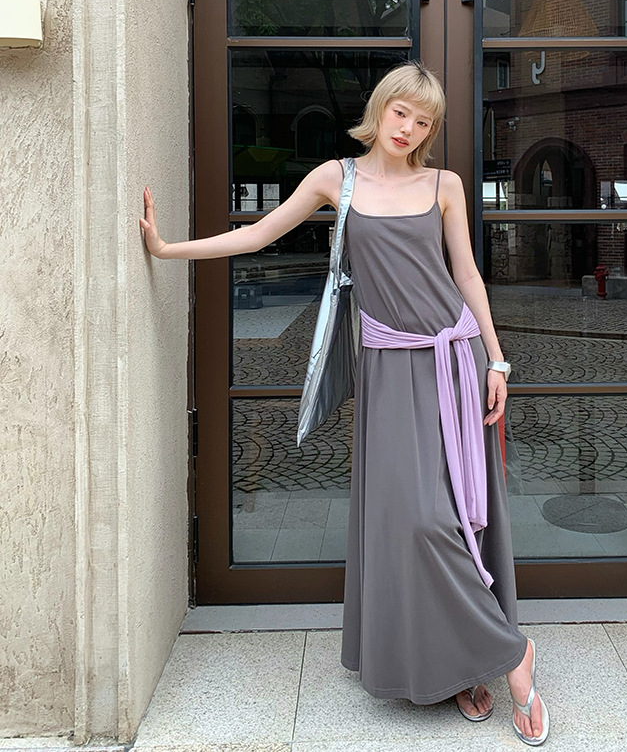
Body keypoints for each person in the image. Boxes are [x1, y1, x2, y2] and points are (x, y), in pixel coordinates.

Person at [139, 60, 549, 746]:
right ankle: (508, 652)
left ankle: (473, 663)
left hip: (455, 361)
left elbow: (467, 274)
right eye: (400, 112)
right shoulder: (339, 178)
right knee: (415, 521)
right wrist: (166, 248)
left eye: (422, 121)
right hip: (388, 370)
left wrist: (498, 359)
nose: (407, 128)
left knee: (458, 516)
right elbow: (258, 234)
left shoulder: (444, 185)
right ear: (380, 109)